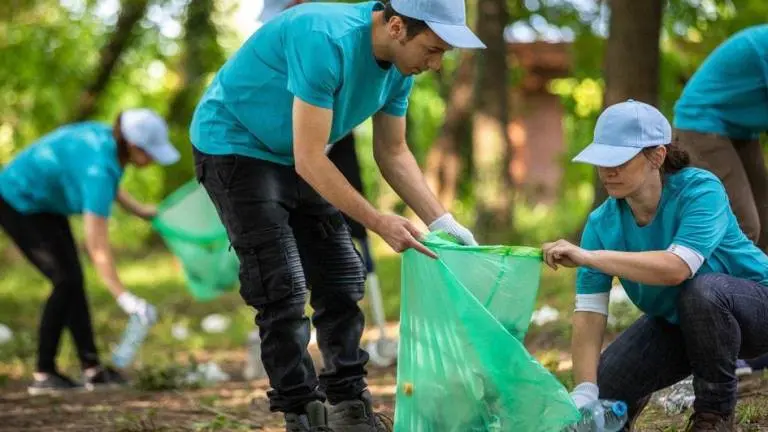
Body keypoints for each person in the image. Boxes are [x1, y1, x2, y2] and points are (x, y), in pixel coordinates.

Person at [189, 0, 483, 430]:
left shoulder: (401, 70)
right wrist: (379, 222)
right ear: (397, 26)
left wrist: (444, 222)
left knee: (343, 275)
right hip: (235, 143)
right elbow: (311, 160)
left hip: (294, 152)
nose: (436, 64)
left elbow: (394, 152)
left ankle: (348, 405)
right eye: (434, 50)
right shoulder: (325, 39)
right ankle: (301, 411)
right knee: (281, 286)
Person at [543, 100, 768, 431]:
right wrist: (585, 394)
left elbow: (676, 268)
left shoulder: (700, 190)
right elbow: (590, 314)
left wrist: (591, 257)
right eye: (601, 160)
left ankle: (714, 414)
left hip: (755, 311)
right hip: (680, 323)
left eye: (618, 160)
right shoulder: (602, 223)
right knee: (606, 386)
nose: (607, 171)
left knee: (703, 292)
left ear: (657, 156)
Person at [0, 108, 180, 395]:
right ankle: (44, 373)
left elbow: (109, 185)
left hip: (45, 204)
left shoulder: (106, 139)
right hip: (17, 199)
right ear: (133, 146)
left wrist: (141, 211)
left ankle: (92, 369)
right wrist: (125, 297)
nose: (155, 159)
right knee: (66, 280)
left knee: (72, 280)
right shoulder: (100, 167)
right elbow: (97, 247)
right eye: (151, 152)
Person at [673, 24, 768, 252]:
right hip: (701, 123)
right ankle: (710, 286)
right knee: (743, 225)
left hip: (739, 128)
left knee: (765, 224)